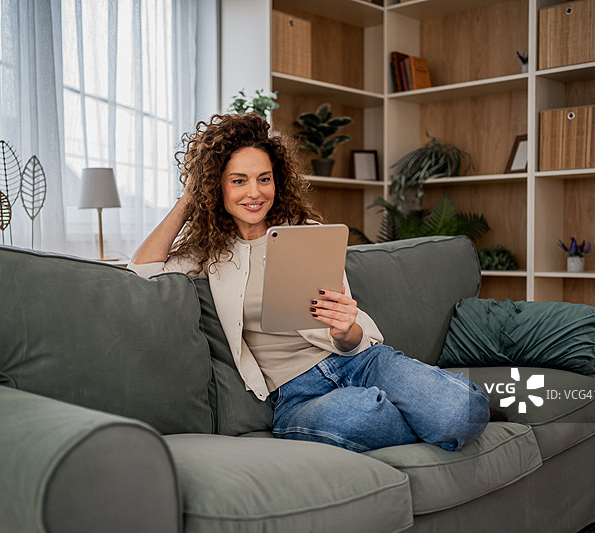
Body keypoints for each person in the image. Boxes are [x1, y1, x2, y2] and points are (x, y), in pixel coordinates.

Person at [129, 113, 491, 453]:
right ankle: (425, 421)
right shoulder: (209, 252)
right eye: (238, 180)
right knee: (366, 415)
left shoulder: (310, 236)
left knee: (465, 410)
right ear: (216, 186)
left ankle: (436, 416)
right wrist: (189, 197)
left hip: (362, 362)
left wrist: (345, 330)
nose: (254, 192)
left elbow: (350, 339)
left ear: (277, 180)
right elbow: (143, 270)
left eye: (264, 178)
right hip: (297, 395)